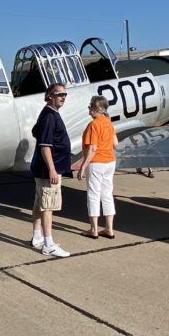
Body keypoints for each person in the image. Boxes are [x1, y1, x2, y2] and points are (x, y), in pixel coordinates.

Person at [30, 84, 72, 258]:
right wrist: (53, 170)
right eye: (59, 94)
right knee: (48, 206)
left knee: (40, 202)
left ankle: (37, 236)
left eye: (65, 94)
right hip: (48, 171)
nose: (63, 97)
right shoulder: (50, 116)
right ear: (49, 96)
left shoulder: (47, 113)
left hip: (42, 169)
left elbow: (35, 132)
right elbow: (45, 146)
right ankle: (48, 244)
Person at [76, 95, 119, 239]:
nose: (89, 110)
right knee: (107, 194)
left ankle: (94, 229)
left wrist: (83, 166)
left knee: (93, 195)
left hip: (96, 163)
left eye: (90, 107)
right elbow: (116, 143)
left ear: (97, 109)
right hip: (110, 162)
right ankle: (109, 229)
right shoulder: (108, 122)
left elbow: (93, 148)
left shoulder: (94, 125)